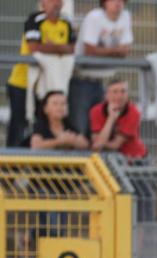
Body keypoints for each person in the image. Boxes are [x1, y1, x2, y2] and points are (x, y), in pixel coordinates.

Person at [6, 0, 75, 148]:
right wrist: (60, 48)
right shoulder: (35, 20)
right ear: (43, 3)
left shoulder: (66, 22)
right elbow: (34, 47)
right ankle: (10, 163)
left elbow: (72, 49)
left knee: (42, 125)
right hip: (22, 82)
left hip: (47, 87)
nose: (55, 3)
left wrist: (50, 46)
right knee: (19, 124)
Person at [70, 0, 133, 136]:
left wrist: (105, 52)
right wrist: (115, 51)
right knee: (80, 128)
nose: (118, 3)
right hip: (81, 79)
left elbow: (125, 51)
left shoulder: (125, 16)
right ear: (104, 3)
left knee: (99, 128)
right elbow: (90, 50)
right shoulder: (95, 17)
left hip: (102, 81)